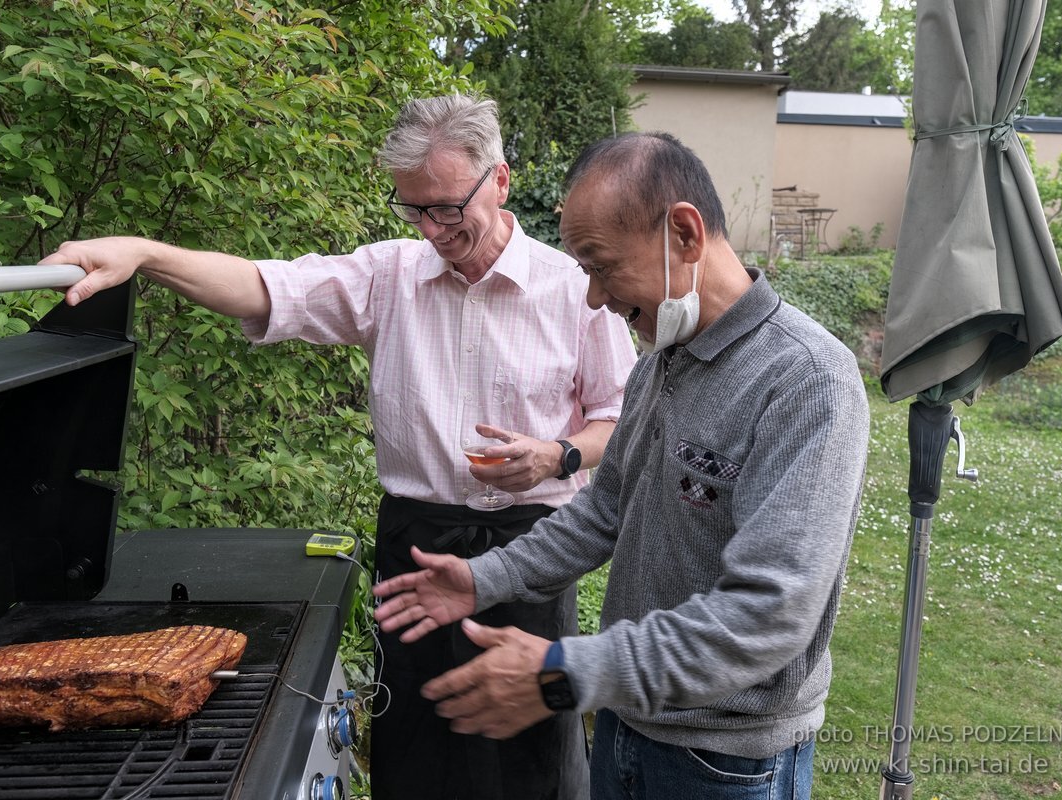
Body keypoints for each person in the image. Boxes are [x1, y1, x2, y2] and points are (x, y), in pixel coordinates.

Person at [39, 94, 637, 800]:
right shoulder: (388, 277)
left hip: (533, 550)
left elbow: (620, 417)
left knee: (533, 756)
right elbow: (263, 288)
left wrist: (558, 456)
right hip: (416, 547)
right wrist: (145, 254)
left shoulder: (573, 288)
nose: (432, 229)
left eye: (446, 207)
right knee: (416, 745)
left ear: (499, 181)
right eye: (414, 210)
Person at [372, 131, 870, 800]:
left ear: (685, 234)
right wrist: (481, 578)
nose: (594, 299)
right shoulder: (663, 363)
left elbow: (769, 615)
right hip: (628, 726)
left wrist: (566, 672)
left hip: (724, 763)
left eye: (602, 266)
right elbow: (605, 510)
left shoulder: (806, 382)